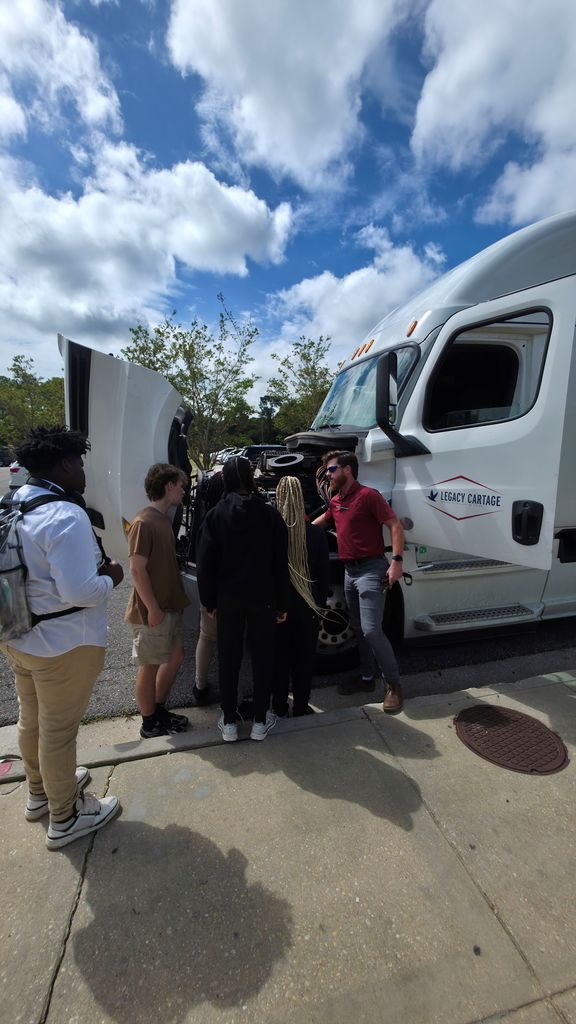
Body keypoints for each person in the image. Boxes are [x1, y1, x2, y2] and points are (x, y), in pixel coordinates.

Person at [0, 425, 123, 849]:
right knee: (58, 733)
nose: (85, 472)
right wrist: (112, 578)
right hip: (63, 645)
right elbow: (80, 590)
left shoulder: (14, 501)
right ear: (66, 464)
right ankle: (65, 816)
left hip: (16, 634)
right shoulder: (65, 515)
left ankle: (39, 794)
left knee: (31, 720)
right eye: (81, 463)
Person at [196, 455, 289, 742]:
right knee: (263, 657)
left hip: (228, 597)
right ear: (250, 478)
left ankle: (230, 721)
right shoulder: (270, 514)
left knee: (229, 658)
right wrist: (282, 602)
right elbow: (280, 562)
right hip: (263, 596)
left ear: (225, 480)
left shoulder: (215, 515)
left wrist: (209, 601)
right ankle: (261, 720)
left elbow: (205, 564)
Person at [313, 451, 405, 712]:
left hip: (371, 569)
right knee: (358, 628)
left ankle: (394, 685)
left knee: (372, 630)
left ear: (347, 470)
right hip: (349, 572)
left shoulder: (368, 496)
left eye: (331, 470)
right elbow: (316, 526)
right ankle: (367, 678)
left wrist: (396, 561)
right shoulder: (337, 500)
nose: (327, 475)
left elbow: (395, 525)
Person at [125, 463, 190, 738]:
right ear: (169, 486)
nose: (184, 491)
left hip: (168, 606)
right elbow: (136, 569)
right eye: (181, 485)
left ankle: (159, 709)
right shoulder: (143, 522)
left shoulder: (163, 519)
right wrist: (152, 608)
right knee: (149, 665)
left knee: (175, 657)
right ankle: (149, 722)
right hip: (153, 610)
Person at [273, 476, 329, 717]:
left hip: (279, 607)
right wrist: (321, 606)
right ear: (301, 501)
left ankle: (278, 706)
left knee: (279, 659)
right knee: (304, 660)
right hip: (308, 606)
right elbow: (324, 577)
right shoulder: (316, 534)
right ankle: (301, 706)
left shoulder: (270, 534)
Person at [192, 471, 225, 706]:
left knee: (206, 637)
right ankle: (230, 690)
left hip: (210, 593)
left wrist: (208, 599)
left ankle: (200, 685)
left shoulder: (205, 517)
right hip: (226, 593)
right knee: (229, 643)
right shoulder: (223, 517)